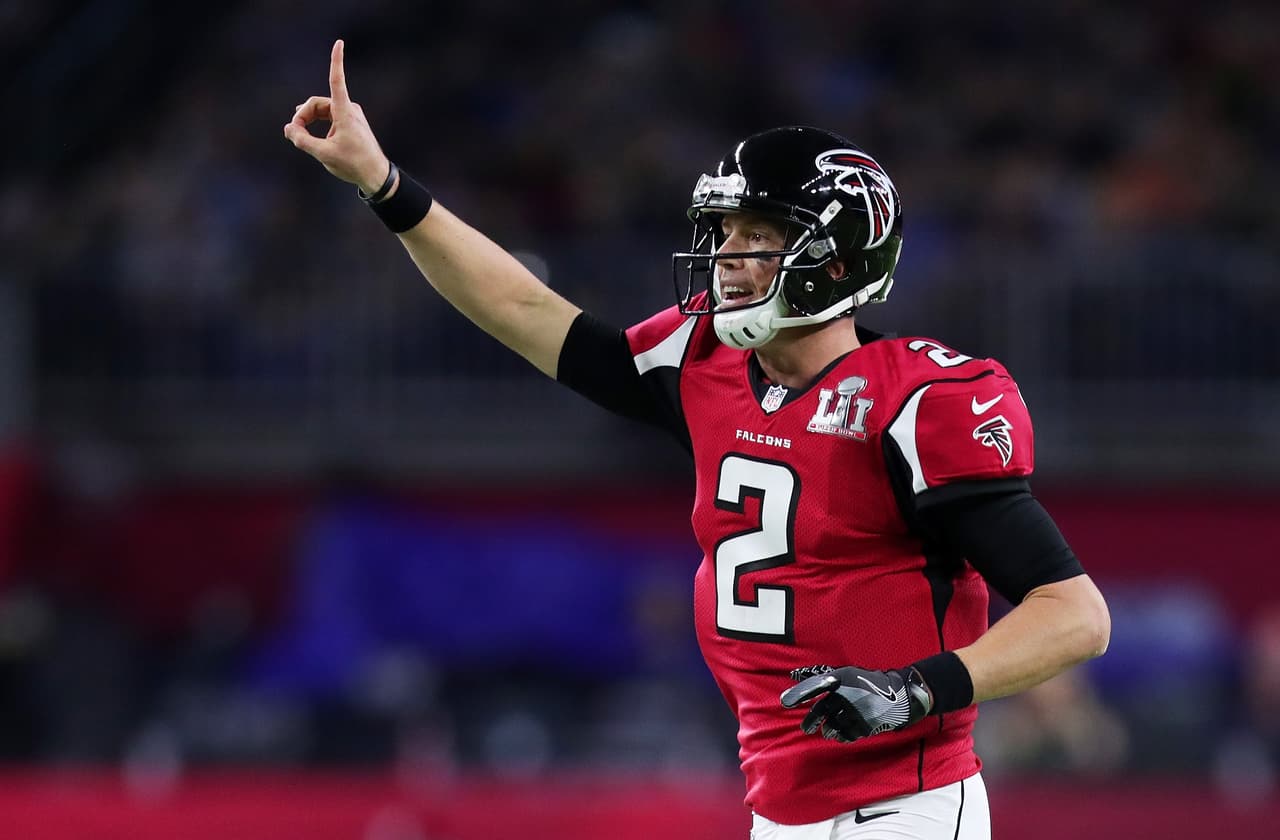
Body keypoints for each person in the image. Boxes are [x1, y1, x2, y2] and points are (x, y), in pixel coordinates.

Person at [284, 40, 1111, 840]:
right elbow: (525, 310)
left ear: (838, 263)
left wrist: (915, 689)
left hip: (904, 805)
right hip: (780, 807)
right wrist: (385, 186)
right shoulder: (702, 362)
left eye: (759, 237)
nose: (728, 258)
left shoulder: (916, 402)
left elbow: (1075, 615)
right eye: (725, 233)